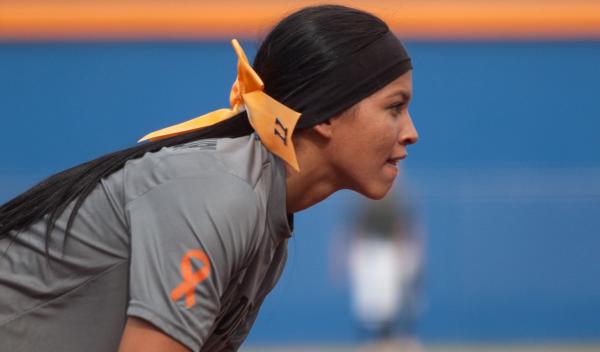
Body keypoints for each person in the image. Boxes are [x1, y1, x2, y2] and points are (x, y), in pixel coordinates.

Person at [0, 4, 418, 352]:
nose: (410, 132)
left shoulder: (266, 223)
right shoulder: (221, 193)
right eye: (394, 107)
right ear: (326, 113)